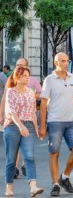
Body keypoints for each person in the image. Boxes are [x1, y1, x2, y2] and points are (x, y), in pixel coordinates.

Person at [39, 52, 73, 196]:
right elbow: (44, 103)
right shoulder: (49, 80)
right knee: (54, 152)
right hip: (54, 121)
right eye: (62, 61)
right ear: (56, 63)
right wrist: (43, 125)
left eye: (67, 61)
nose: (66, 63)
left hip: (71, 121)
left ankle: (64, 177)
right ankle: (55, 184)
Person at [3, 67, 44, 197]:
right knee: (11, 159)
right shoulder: (10, 92)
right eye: (25, 75)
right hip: (12, 126)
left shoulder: (30, 92)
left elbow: (32, 112)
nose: (28, 78)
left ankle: (33, 187)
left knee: (29, 157)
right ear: (17, 77)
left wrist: (37, 130)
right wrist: (20, 126)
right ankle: (9, 186)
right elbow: (11, 111)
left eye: (28, 75)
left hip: (29, 126)